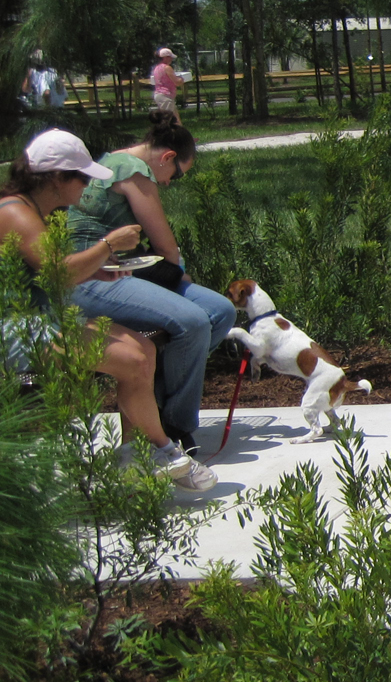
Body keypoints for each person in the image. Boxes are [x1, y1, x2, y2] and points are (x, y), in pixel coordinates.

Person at [0, 130, 215, 489]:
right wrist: (106, 245)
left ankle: (136, 456)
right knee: (131, 361)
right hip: (15, 327)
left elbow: (53, 270)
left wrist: (98, 267)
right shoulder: (16, 213)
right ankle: (161, 451)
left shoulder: (32, 208)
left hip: (40, 318)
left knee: (142, 350)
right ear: (56, 178)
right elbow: (58, 273)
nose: (86, 186)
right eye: (82, 177)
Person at [68, 114, 234, 454]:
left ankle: (159, 397)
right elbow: (165, 246)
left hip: (123, 268)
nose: (171, 183)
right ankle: (174, 427)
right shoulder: (133, 170)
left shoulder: (114, 159)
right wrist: (181, 274)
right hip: (90, 273)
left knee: (221, 310)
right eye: (176, 175)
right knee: (193, 321)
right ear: (167, 157)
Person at [149, 48, 182, 117]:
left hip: (159, 94)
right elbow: (176, 82)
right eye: (170, 57)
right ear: (165, 58)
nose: (171, 60)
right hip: (166, 95)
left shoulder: (157, 68)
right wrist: (181, 79)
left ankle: (179, 128)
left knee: (176, 118)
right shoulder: (167, 68)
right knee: (169, 118)